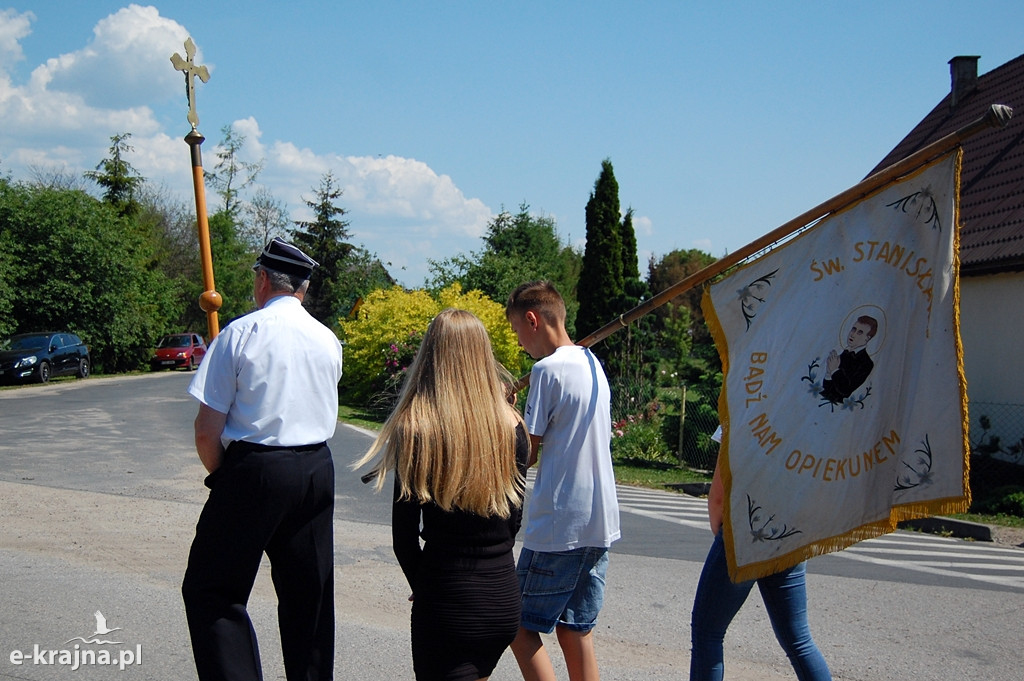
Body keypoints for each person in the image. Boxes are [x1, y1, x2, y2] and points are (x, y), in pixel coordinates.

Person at [181, 237, 345, 681]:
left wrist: (228, 476)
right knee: (309, 599)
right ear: (302, 289)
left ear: (261, 280)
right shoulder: (328, 339)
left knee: (213, 591)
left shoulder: (240, 333)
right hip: (316, 468)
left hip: (255, 467)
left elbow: (206, 429)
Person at [355, 308, 529, 681]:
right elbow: (513, 522)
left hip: (447, 598)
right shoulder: (512, 426)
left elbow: (403, 539)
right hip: (501, 596)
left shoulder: (416, 427)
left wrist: (426, 586)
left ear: (430, 356)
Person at [504, 281, 621, 681]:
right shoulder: (593, 364)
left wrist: (505, 416)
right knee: (576, 629)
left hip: (560, 523)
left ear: (533, 320)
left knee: (518, 627)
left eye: (518, 331)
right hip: (600, 520)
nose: (520, 343)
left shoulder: (546, 370)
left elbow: (526, 452)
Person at [689, 426, 832, 681]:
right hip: (790, 531)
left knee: (707, 632)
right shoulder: (804, 410)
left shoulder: (744, 399)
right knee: (798, 640)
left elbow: (719, 496)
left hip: (745, 530)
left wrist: (723, 537)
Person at [820, 315, 877, 404]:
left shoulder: (866, 363)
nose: (853, 334)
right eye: (854, 329)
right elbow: (827, 391)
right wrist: (828, 372)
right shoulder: (844, 354)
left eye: (860, 332)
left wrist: (834, 370)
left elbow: (845, 391)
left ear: (867, 338)